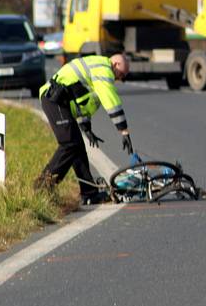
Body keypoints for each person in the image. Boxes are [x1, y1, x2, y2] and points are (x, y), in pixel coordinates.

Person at [34, 53, 133, 205]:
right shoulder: (104, 69)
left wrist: (86, 128)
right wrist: (123, 130)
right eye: (121, 75)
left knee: (78, 146)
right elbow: (111, 101)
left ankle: (89, 193)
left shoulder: (98, 69)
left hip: (61, 100)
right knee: (69, 144)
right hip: (54, 99)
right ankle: (42, 186)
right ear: (116, 65)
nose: (120, 79)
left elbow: (82, 102)